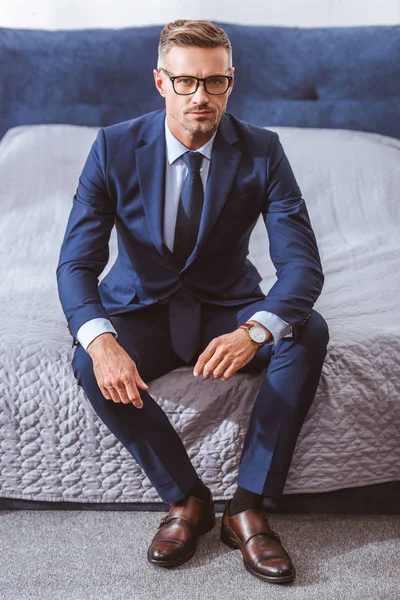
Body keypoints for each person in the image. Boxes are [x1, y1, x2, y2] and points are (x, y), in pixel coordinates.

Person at [56, 19, 329, 584]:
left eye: (215, 82)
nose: (200, 96)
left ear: (232, 82)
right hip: (141, 309)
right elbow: (76, 263)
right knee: (88, 359)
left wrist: (255, 329)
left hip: (227, 308)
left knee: (307, 330)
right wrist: (102, 338)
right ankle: (187, 500)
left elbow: (301, 264)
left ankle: (248, 506)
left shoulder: (263, 150)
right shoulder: (112, 146)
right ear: (161, 82)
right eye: (185, 82)